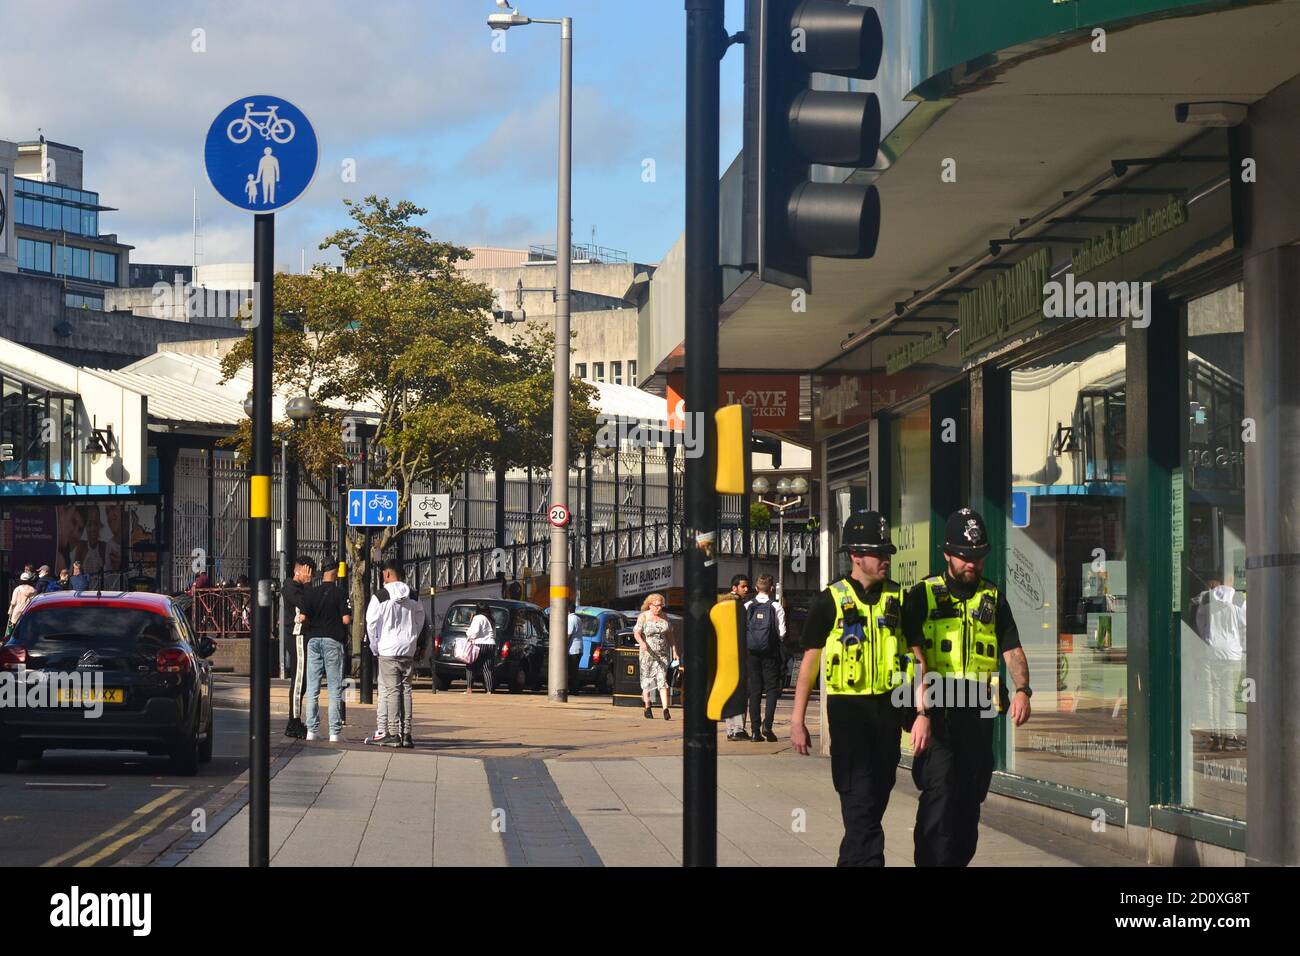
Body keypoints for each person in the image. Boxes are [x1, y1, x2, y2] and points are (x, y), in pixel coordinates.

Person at [906, 507, 1031, 868]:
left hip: (979, 711)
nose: (971, 564)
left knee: (969, 797)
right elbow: (909, 652)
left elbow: (1011, 647)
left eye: (978, 557)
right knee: (940, 793)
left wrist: (1022, 690)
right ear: (946, 554)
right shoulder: (924, 594)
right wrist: (919, 712)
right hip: (937, 710)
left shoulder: (993, 597)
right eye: (964, 557)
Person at [791, 510, 910, 866]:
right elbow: (809, 663)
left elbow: (918, 655)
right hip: (848, 715)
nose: (886, 559)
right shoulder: (830, 600)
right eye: (879, 553)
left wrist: (920, 710)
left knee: (873, 804)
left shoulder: (900, 599)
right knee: (859, 806)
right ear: (856, 556)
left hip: (888, 713)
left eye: (888, 552)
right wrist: (797, 720)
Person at [365, 560, 426, 748]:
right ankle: (407, 734)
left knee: (391, 691)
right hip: (407, 648)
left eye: (384, 573)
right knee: (406, 690)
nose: (383, 576)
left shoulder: (380, 596)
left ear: (388, 574)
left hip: (388, 649)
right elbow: (420, 620)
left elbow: (371, 624)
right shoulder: (413, 596)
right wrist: (412, 638)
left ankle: (392, 733)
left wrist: (375, 646)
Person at [300, 557, 356, 744]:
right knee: (334, 688)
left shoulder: (312, 593)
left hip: (313, 640)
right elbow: (346, 620)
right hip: (333, 640)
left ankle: (312, 730)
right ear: (334, 572)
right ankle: (334, 732)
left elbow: (303, 616)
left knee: (313, 688)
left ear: (323, 572)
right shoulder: (340, 593)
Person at [1195, 579, 1247, 751]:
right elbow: (1244, 625)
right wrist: (1239, 643)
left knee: (1213, 695)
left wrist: (1209, 640)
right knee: (1228, 695)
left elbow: (1200, 623)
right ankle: (1229, 735)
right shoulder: (1237, 598)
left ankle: (1216, 736)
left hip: (1212, 651)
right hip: (1232, 652)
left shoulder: (1205, 599)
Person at [745, 574, 787, 742]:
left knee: (754, 691)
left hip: (751, 653)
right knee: (771, 690)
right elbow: (782, 633)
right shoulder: (776, 606)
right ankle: (767, 726)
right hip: (770, 652)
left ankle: (754, 731)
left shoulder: (747, 605)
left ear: (756, 588)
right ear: (771, 589)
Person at [280, 556, 315, 739]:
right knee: (299, 680)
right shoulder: (291, 586)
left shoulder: (299, 588)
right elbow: (306, 604)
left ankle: (295, 719)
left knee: (302, 681)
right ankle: (293, 722)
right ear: (299, 570)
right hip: (297, 635)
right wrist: (308, 585)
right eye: (308, 572)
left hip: (301, 634)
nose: (310, 576)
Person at [634, 592, 677, 720]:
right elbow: (637, 632)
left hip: (662, 654)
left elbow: (670, 635)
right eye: (657, 605)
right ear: (650, 605)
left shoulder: (665, 617)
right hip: (647, 654)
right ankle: (647, 705)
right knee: (647, 681)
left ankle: (665, 709)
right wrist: (642, 643)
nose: (659, 608)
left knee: (662, 680)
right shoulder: (644, 616)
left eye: (661, 605)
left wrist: (674, 650)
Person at [724, 574, 752, 741]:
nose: (746, 589)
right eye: (743, 587)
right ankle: (738, 729)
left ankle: (731, 730)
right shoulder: (737, 606)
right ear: (734, 588)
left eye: (747, 586)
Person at [463, 602, 497, 695]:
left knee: (470, 666)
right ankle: (489, 690)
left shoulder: (478, 618)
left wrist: (468, 632)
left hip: (479, 644)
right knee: (487, 668)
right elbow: (494, 633)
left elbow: (474, 633)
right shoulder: (491, 619)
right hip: (491, 644)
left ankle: (469, 688)